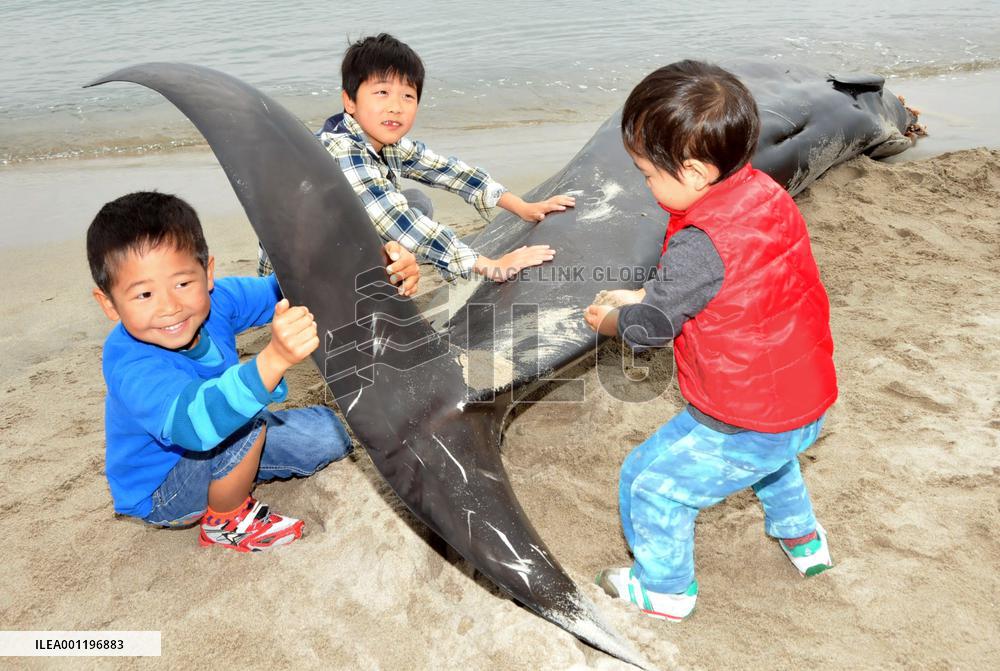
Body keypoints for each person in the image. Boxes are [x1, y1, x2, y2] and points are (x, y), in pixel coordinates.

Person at [584, 60, 837, 621]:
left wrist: (608, 320)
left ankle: (667, 589)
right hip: (802, 395)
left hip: (745, 411)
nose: (645, 186)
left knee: (649, 484)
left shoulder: (700, 244)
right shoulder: (763, 193)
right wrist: (647, 293)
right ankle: (804, 542)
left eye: (648, 173)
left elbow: (651, 329)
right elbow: (730, 282)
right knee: (778, 461)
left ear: (696, 171)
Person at [88, 191, 420, 552]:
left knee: (331, 434)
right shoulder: (129, 361)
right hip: (164, 488)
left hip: (219, 444)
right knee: (244, 419)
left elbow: (290, 288)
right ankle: (225, 519)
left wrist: (375, 268)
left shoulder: (219, 302)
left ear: (208, 273)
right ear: (109, 303)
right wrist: (273, 359)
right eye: (144, 295)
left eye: (183, 284)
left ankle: (233, 473)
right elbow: (192, 424)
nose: (170, 307)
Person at [259, 33, 575, 283]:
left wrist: (521, 206)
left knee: (415, 200)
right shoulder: (344, 151)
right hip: (294, 280)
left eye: (408, 96)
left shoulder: (382, 139)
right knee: (407, 215)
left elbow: (451, 171)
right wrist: (489, 265)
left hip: (333, 249)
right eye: (381, 93)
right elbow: (401, 224)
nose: (396, 106)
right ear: (350, 101)